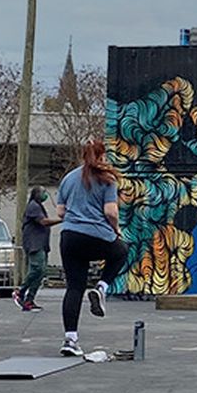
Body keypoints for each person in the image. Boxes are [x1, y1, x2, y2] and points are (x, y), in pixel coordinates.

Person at [52, 139, 128, 358]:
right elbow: (110, 212)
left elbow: (60, 212)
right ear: (102, 156)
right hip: (96, 235)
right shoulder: (107, 179)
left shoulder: (68, 178)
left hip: (70, 237)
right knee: (121, 251)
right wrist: (116, 229)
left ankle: (70, 339)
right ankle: (101, 287)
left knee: (74, 288)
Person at [15, 185, 52, 313]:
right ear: (36, 194)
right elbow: (43, 222)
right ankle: (20, 291)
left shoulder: (39, 206)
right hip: (34, 244)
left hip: (42, 244)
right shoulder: (33, 206)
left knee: (41, 272)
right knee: (37, 269)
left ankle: (29, 300)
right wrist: (61, 219)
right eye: (43, 192)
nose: (45, 194)